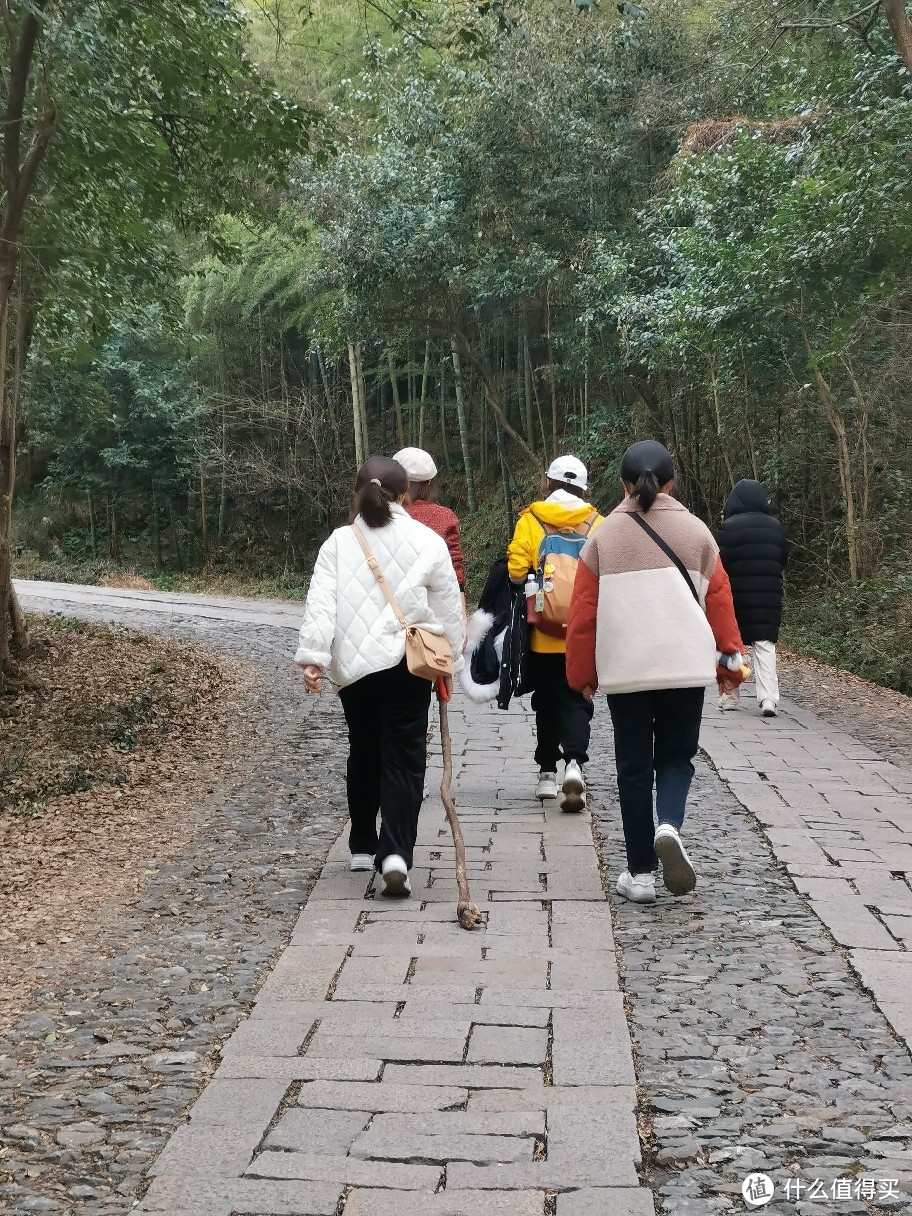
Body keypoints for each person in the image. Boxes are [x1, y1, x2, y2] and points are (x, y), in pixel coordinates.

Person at [565, 440, 743, 903]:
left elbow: (583, 615)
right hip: (685, 667)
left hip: (627, 672)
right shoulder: (698, 532)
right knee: (677, 756)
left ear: (624, 485)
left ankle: (640, 874)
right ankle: (669, 823)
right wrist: (731, 660)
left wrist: (581, 676)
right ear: (673, 483)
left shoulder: (602, 538)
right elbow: (720, 601)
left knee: (633, 768)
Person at [294, 456, 464, 897]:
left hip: (355, 669)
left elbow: (320, 604)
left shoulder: (338, 541)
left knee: (363, 749)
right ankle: (396, 855)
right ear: (406, 494)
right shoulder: (427, 540)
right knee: (404, 758)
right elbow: (448, 606)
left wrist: (314, 657)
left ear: (358, 491)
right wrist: (453, 658)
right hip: (408, 665)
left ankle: (361, 845)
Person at [507, 455, 603, 811]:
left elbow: (517, 571)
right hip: (583, 632)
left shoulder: (531, 519)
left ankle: (547, 773)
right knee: (577, 698)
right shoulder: (597, 523)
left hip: (542, 633)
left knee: (546, 701)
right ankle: (574, 764)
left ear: (548, 483)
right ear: (582, 487)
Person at [716, 479, 789, 717]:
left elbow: (719, 565)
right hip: (768, 597)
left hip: (736, 597)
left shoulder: (728, 528)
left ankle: (730, 696)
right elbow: (783, 559)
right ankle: (768, 699)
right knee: (765, 646)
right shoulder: (776, 527)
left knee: (732, 648)